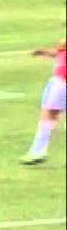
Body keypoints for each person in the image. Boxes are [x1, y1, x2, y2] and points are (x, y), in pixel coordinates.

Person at [21, 36, 66, 165]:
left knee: (49, 115)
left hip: (62, 83)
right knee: (48, 114)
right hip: (58, 81)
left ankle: (38, 151)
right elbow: (60, 53)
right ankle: (38, 151)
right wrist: (44, 52)